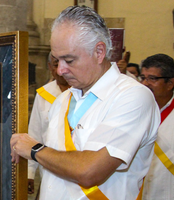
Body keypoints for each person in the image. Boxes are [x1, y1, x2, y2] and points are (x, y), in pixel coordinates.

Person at [10, 6, 160, 200]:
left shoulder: (133, 97)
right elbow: (51, 179)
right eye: (57, 60)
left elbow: (90, 171)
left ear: (99, 52)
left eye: (69, 60)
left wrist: (34, 149)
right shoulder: (63, 99)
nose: (60, 70)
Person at [139, 54, 174, 199]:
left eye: (152, 78)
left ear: (170, 83)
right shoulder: (133, 114)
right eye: (143, 78)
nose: (145, 84)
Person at [27, 52, 69, 196]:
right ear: (50, 67)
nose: (60, 70)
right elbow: (35, 134)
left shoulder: (82, 92)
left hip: (74, 171)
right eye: (56, 65)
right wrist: (30, 172)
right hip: (48, 172)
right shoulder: (44, 94)